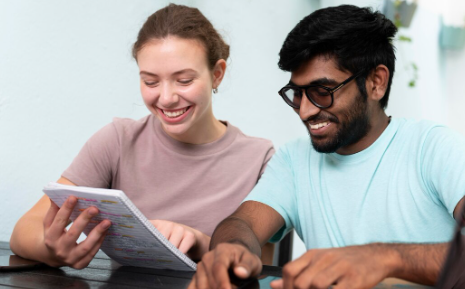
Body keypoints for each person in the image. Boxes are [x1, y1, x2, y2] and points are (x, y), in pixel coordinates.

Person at [188, 5, 465, 289]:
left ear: (376, 82)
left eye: (323, 92)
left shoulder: (434, 148)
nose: (305, 111)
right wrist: (231, 249)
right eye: (298, 93)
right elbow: (243, 223)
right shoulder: (294, 160)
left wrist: (384, 258)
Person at [9, 4, 274, 269]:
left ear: (217, 74)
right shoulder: (118, 141)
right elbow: (24, 230)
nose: (167, 98)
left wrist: (199, 242)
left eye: (184, 80)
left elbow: (263, 264)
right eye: (150, 82)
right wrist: (52, 250)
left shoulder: (259, 160)